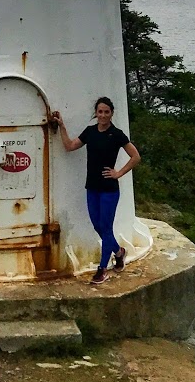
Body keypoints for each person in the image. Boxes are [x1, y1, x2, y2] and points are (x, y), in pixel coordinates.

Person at [51, 97, 141, 284]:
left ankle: (102, 269)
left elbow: (135, 156)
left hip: (109, 189)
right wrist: (62, 126)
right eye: (100, 112)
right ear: (96, 113)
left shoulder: (116, 134)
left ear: (111, 113)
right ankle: (119, 252)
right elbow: (69, 146)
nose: (102, 115)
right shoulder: (90, 132)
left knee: (106, 228)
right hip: (91, 187)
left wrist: (118, 173)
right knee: (98, 226)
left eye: (106, 112)